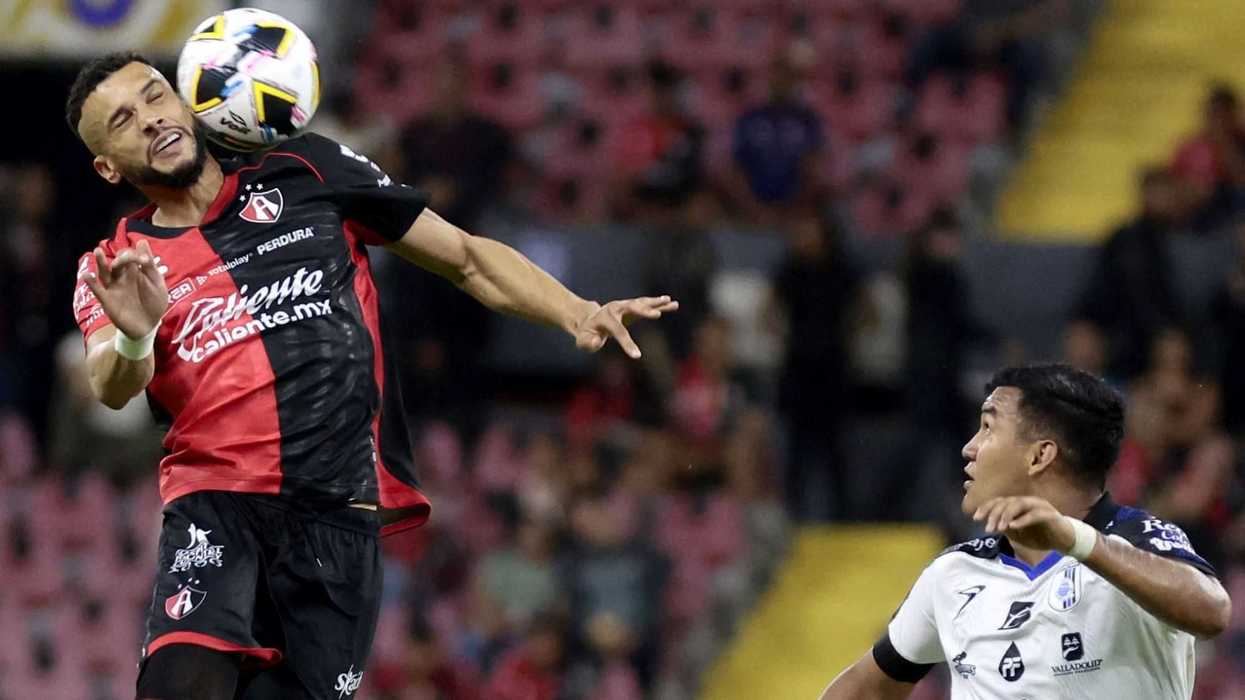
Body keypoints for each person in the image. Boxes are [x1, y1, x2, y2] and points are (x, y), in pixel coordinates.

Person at [64, 51, 678, 700]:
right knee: (179, 686)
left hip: (336, 510)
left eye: (155, 96)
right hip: (218, 505)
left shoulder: (307, 169)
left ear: (186, 100)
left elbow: (465, 258)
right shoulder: (116, 264)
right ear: (107, 165)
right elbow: (110, 384)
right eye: (124, 120)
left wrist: (574, 310)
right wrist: (135, 331)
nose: (151, 120)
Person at [819, 364, 1231, 699]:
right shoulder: (954, 574)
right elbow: (868, 689)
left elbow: (1211, 612)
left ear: (1040, 455)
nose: (969, 447)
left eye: (987, 427)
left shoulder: (1135, 539)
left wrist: (1074, 540)